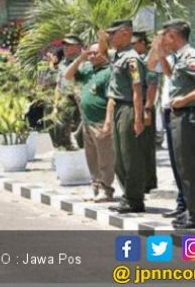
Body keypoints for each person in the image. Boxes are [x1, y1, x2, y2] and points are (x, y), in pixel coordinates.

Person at [101, 19, 148, 213]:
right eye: (109, 34)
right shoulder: (118, 56)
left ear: (126, 33)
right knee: (119, 156)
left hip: (129, 107)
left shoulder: (131, 59)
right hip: (119, 107)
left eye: (114, 33)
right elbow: (103, 47)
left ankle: (135, 199)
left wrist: (138, 118)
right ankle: (127, 195)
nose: (110, 37)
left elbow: (137, 90)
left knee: (131, 156)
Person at [152, 19, 195, 229]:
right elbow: (172, 75)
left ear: (172, 36)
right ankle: (190, 209)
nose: (162, 40)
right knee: (182, 165)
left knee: (188, 166)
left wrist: (184, 100)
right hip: (179, 116)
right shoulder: (180, 58)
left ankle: (193, 215)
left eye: (164, 36)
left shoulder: (190, 56)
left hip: (188, 116)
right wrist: (160, 53)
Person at [65, 43, 115, 202]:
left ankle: (106, 189)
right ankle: (95, 186)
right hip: (87, 120)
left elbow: (112, 99)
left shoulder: (109, 72)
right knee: (91, 157)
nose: (92, 56)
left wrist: (108, 121)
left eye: (96, 53)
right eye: (90, 53)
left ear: (105, 54)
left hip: (101, 121)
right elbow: (67, 75)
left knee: (105, 158)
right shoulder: (87, 70)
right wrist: (80, 58)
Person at [147, 34, 186, 219]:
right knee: (176, 162)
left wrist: (161, 52)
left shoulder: (186, 57)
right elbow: (150, 65)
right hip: (168, 111)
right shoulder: (170, 58)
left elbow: (169, 72)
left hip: (182, 111)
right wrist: (157, 48)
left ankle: (187, 205)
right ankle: (182, 203)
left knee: (184, 162)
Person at [132, 31, 160, 192]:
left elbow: (152, 84)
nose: (132, 46)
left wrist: (147, 109)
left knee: (146, 146)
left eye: (134, 43)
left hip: (145, 103)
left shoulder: (150, 59)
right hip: (136, 103)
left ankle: (148, 183)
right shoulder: (135, 59)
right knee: (137, 145)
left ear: (142, 42)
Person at [50, 34, 82, 150]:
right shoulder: (63, 62)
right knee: (60, 128)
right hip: (64, 99)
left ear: (79, 47)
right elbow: (58, 84)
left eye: (69, 45)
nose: (65, 47)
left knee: (79, 132)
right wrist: (55, 104)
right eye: (64, 45)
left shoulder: (83, 62)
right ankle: (64, 150)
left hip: (77, 100)